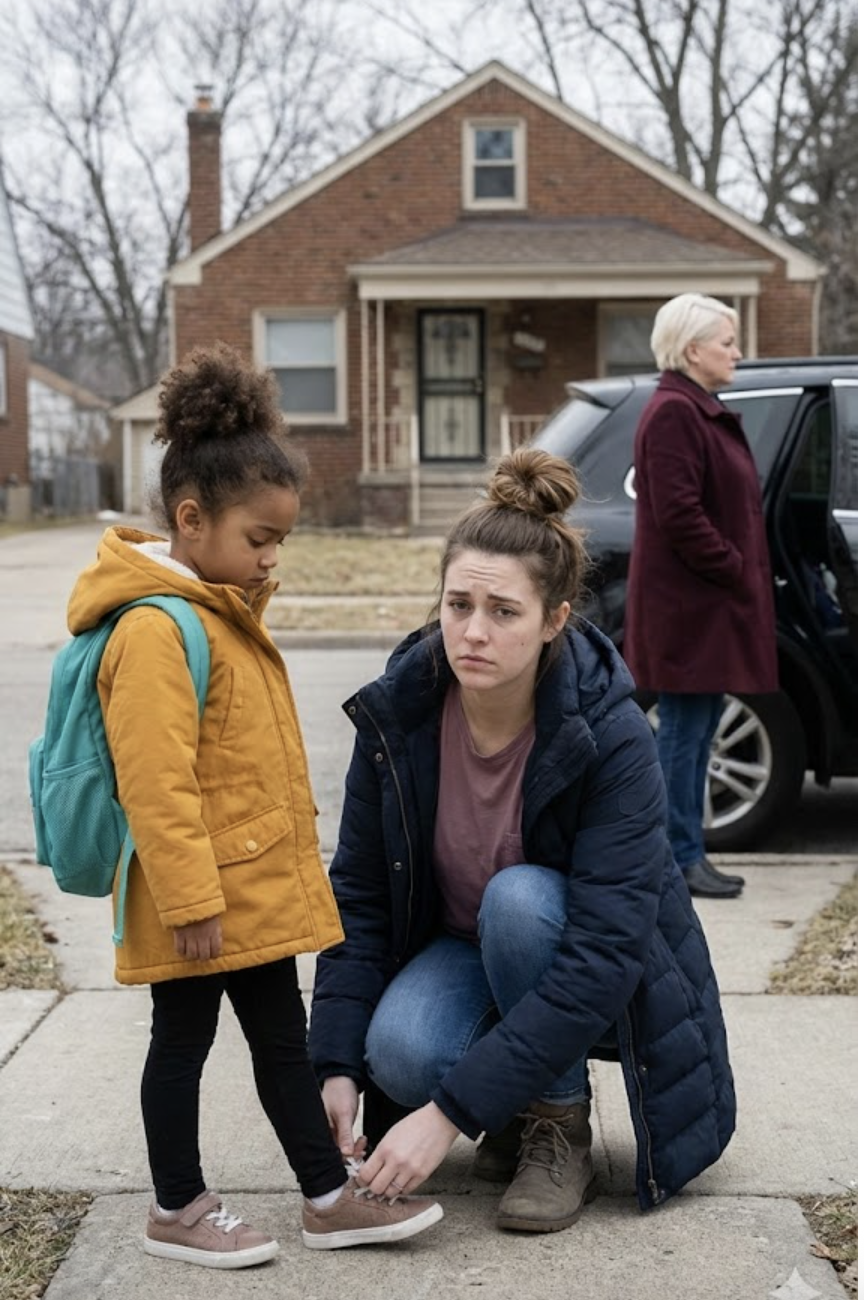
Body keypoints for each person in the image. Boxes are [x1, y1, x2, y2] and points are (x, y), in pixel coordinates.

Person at [66, 343, 442, 1268]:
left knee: (281, 1040)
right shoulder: (156, 629)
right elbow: (157, 782)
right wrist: (191, 898)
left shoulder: (219, 607)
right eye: (259, 538)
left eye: (281, 541)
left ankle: (326, 1196)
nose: (272, 556)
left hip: (250, 887)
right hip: (198, 899)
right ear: (191, 520)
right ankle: (177, 1207)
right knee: (181, 1042)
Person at [308, 446, 735, 1236]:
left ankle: (559, 1124)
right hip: (462, 948)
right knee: (397, 1051)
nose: (474, 632)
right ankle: (506, 1104)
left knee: (519, 900)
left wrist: (445, 1115)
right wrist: (332, 1062)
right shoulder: (399, 717)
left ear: (554, 622)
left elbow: (604, 954)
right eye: (458, 604)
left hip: (595, 970)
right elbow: (359, 897)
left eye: (504, 612)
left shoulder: (608, 734)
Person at [623, 294, 779, 899]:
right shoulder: (674, 413)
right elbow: (680, 515)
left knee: (697, 732)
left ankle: (687, 855)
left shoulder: (692, 407)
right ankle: (674, 860)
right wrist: (736, 567)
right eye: (727, 343)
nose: (737, 353)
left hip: (705, 610)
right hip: (690, 612)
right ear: (693, 350)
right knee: (684, 736)